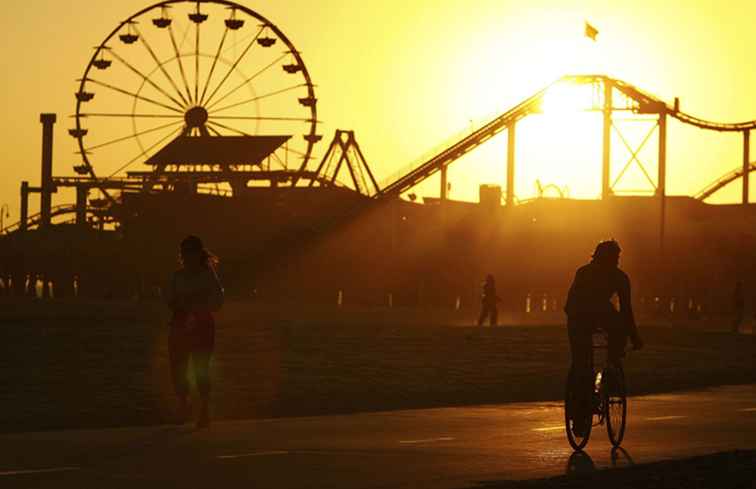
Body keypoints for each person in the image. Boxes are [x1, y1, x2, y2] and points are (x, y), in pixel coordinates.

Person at [564, 240, 643, 436]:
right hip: (580, 314)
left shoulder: (607, 275)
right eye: (614, 258)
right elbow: (626, 312)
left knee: (585, 358)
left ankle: (610, 363)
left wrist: (630, 334)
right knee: (583, 361)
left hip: (587, 313)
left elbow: (626, 311)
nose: (616, 261)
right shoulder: (602, 275)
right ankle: (587, 392)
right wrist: (633, 337)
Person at [165, 235, 224, 428]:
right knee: (178, 368)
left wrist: (198, 305)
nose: (186, 256)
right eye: (183, 253)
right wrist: (179, 304)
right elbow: (169, 299)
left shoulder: (208, 275)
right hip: (180, 324)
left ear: (198, 254)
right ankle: (184, 405)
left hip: (202, 324)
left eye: (189, 252)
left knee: (201, 368)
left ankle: (204, 410)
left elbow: (218, 302)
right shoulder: (177, 276)